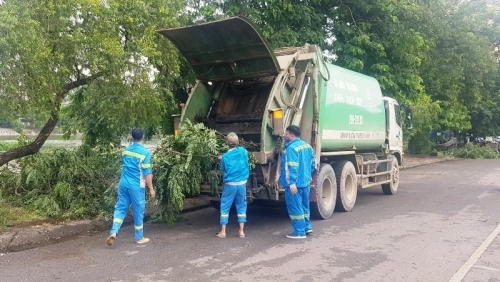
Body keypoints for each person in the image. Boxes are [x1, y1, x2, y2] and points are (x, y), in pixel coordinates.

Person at [106, 128, 156, 246]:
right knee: (139, 210)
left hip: (123, 184)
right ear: (142, 137)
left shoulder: (126, 151)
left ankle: (114, 232)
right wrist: (151, 189)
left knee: (120, 208)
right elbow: (147, 173)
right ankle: (139, 237)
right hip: (136, 186)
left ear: (132, 137)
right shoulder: (145, 153)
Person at [279, 125, 316, 239]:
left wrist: (292, 183)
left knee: (295, 208)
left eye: (286, 134)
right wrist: (309, 176)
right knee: (305, 206)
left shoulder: (291, 148)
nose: (284, 135)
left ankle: (299, 232)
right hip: (305, 183)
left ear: (291, 135)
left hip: (296, 185)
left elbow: (291, 167)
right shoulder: (307, 146)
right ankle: (307, 227)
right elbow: (312, 163)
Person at [216, 132, 250, 239]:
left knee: (225, 206)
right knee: (241, 206)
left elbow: (223, 168)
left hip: (230, 185)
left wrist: (221, 158)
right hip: (241, 184)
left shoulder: (225, 157)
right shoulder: (243, 151)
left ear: (227, 143)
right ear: (238, 142)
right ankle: (241, 232)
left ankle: (223, 232)